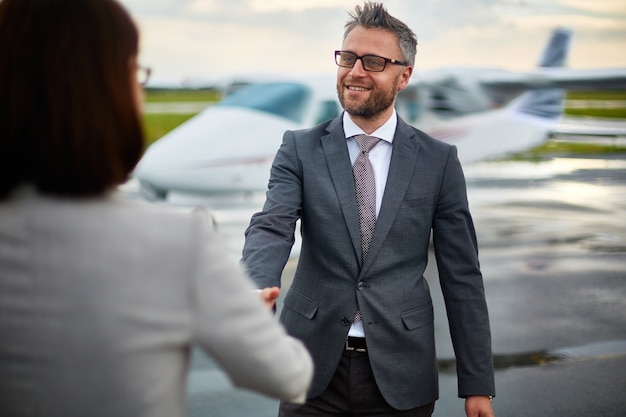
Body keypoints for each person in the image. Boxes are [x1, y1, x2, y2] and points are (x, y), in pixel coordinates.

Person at [0, 0, 312, 416]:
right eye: (134, 72)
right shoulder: (178, 243)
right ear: (106, 91)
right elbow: (289, 377)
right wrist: (244, 314)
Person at [242, 2, 495, 417]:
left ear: (403, 76)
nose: (355, 71)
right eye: (347, 57)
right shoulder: (299, 148)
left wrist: (478, 383)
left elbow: (462, 276)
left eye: (373, 61)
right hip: (310, 369)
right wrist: (255, 285)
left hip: (402, 372)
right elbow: (271, 226)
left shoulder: (438, 161)